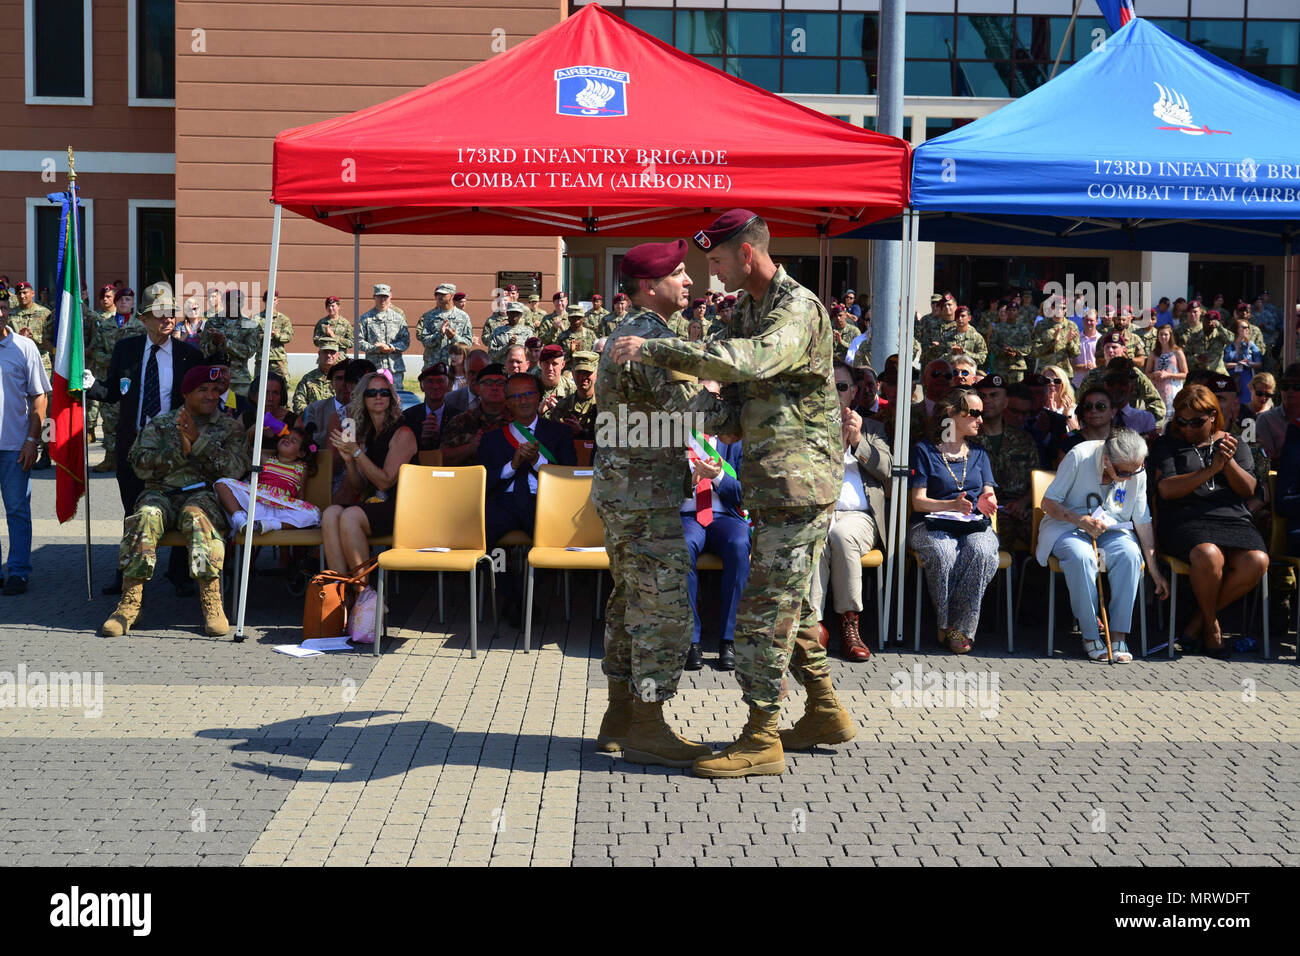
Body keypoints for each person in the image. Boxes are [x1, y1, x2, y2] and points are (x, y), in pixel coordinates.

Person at [609, 209, 853, 778]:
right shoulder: (745, 307)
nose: (708, 275)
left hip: (799, 484)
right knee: (790, 601)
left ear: (746, 254)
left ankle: (762, 737)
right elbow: (714, 367)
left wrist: (657, 352)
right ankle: (823, 709)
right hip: (769, 482)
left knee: (765, 609)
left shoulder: (798, 309)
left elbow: (749, 361)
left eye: (716, 261)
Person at [592, 238, 732, 768]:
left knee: (630, 602)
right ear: (651, 286)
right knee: (663, 611)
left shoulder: (630, 335)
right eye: (680, 273)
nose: (691, 281)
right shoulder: (648, 339)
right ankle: (648, 725)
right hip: (643, 498)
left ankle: (620, 717)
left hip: (626, 492)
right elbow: (694, 412)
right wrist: (724, 384)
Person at [101, 366, 251, 637]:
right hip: (161, 492)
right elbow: (139, 465)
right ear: (186, 393)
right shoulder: (161, 424)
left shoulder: (229, 427)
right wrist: (180, 451)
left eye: (215, 390)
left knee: (197, 517)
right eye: (202, 390)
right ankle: (129, 604)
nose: (211, 395)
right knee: (145, 515)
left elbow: (235, 469)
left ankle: (212, 602)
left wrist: (199, 442)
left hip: (204, 494)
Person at [87, 283, 206, 596]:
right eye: (159, 313)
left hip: (175, 448)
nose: (167, 318)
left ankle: (179, 571)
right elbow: (113, 391)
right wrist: (89, 384)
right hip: (133, 446)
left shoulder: (189, 356)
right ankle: (126, 571)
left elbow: (203, 399)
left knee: (181, 506)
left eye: (171, 312)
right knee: (132, 511)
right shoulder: (127, 350)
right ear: (144, 318)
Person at [1150, 385, 1269, 657]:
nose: (1188, 428)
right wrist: (1211, 469)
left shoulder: (1233, 443)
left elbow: (1248, 489)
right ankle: (1212, 629)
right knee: (1209, 555)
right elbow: (1167, 489)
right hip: (1185, 518)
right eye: (1182, 421)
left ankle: (1197, 623)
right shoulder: (1169, 444)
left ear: (1213, 416)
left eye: (1196, 422)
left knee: (1257, 561)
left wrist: (1227, 463)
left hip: (1232, 519)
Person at [1037, 430, 1168, 662]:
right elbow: (1048, 502)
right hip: (1067, 525)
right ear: (1107, 459)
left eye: (1135, 470)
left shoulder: (1135, 468)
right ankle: (1089, 635)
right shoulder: (1079, 455)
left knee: (1129, 554)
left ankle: (1118, 636)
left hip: (1112, 528)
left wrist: (1154, 570)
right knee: (1082, 556)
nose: (1130, 477)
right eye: (1123, 472)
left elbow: (1142, 519)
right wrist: (1079, 521)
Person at [479, 372, 577, 626]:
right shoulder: (492, 438)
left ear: (538, 397)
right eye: (516, 396)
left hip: (544, 504)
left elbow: (570, 477)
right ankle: (511, 591)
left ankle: (523, 596)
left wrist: (537, 461)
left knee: (555, 543)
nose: (523, 401)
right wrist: (512, 465)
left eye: (528, 394)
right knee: (480, 540)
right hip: (504, 503)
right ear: (507, 402)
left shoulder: (559, 434)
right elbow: (482, 481)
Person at [907, 388, 1001, 654]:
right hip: (929, 523)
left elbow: (988, 492)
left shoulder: (979, 453)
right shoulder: (924, 450)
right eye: (974, 413)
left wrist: (987, 501)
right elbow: (918, 501)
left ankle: (957, 628)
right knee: (943, 552)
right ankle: (948, 624)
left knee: (982, 551)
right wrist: (952, 505)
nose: (980, 420)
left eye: (980, 414)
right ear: (951, 414)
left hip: (972, 524)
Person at [809, 361, 891, 662]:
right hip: (820, 509)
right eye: (828, 385)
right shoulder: (810, 427)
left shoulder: (873, 428)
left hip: (858, 515)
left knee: (842, 536)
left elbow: (887, 470)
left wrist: (857, 442)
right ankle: (813, 624)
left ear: (854, 392)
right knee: (818, 534)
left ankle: (849, 624)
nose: (835, 391)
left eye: (841, 386)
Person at [321, 371, 417, 582]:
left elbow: (385, 481)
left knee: (350, 516)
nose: (378, 396)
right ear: (363, 398)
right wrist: (349, 461)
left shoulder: (403, 433)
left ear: (391, 397)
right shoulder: (368, 435)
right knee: (330, 514)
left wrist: (356, 452)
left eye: (384, 392)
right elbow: (359, 487)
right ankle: (339, 587)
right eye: (372, 392)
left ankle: (362, 591)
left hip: (403, 508)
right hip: (375, 504)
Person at [0, 311, 49, 594]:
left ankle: (18, 571)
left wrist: (33, 439)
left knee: (17, 511)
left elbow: (39, 395)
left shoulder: (24, 347)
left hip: (15, 447)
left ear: (6, 311)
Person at [216, 422, 321, 537]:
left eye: (293, 441)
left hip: (282, 508)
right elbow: (249, 446)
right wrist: (257, 428)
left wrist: (297, 510)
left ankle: (272, 525)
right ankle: (240, 519)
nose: (287, 440)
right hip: (257, 502)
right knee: (221, 483)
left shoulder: (301, 468)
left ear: (301, 453)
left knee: (314, 514)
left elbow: (301, 496)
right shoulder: (266, 461)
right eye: (285, 437)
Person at [975, 373, 1037, 549]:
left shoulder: (1024, 440)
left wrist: (1023, 503)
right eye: (982, 396)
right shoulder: (967, 439)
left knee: (1046, 531)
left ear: (1006, 402)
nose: (987, 401)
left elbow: (1037, 482)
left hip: (1019, 509)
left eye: (994, 395)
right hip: (983, 509)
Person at [441, 362, 509, 466]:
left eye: (500, 383)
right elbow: (442, 457)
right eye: (488, 383)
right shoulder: (461, 422)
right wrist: (471, 447)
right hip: (468, 480)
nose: (495, 387)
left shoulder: (518, 421)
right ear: (478, 388)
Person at [357, 283, 409, 383]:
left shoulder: (398, 318)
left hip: (394, 368)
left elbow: (405, 341)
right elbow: (359, 341)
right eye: (380, 296)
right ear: (374, 297)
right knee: (374, 396)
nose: (383, 300)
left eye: (385, 297)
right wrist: (375, 348)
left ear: (390, 297)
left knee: (396, 396)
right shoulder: (366, 319)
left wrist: (391, 347)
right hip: (373, 368)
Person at [547, 350, 598, 440]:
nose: (582, 377)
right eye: (579, 372)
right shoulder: (563, 406)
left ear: (596, 373)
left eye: (587, 373)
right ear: (573, 373)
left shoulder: (604, 405)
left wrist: (582, 432)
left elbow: (610, 440)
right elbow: (552, 438)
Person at [400, 361, 451, 452]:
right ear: (421, 386)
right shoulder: (408, 417)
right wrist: (421, 438)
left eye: (440, 381)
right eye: (430, 382)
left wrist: (438, 436)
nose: (435, 386)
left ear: (447, 386)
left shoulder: (457, 416)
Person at [1255, 362, 1300, 459]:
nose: (1290, 391)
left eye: (1296, 386)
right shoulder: (1266, 419)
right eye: (1285, 386)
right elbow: (1268, 459)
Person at [1146, 323, 1186, 423]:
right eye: (1161, 334)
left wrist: (1169, 375)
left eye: (1166, 334)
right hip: (1157, 390)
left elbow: (1185, 374)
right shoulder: (1154, 353)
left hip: (1173, 390)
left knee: (1173, 419)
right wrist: (1154, 375)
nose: (1163, 337)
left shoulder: (1177, 351)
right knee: (1158, 418)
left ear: (1170, 335)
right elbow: (1146, 373)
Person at [1060, 385, 1115, 457]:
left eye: (1101, 406)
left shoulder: (1122, 442)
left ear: (1113, 411)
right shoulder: (1068, 444)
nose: (1093, 410)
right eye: (1088, 406)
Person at [251, 290, 294, 379]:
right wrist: (264, 335)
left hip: (278, 360)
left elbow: (289, 336)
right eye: (269, 300)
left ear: (277, 301)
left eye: (274, 300)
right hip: (261, 359)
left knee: (283, 386)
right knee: (258, 386)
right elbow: (251, 337)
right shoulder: (256, 319)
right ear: (264, 301)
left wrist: (277, 335)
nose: (271, 302)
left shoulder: (283, 319)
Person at [1031, 296, 1080, 373]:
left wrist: (1070, 343)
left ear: (1066, 309)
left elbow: (1076, 354)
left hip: (1064, 372)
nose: (1060, 311)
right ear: (1052, 307)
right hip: (1045, 371)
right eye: (1057, 308)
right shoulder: (1042, 325)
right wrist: (1053, 343)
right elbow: (1035, 351)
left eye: (1063, 308)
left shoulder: (1072, 326)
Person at [291, 339, 342, 413]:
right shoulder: (308, 379)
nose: (328, 355)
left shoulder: (344, 378)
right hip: (313, 421)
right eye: (325, 352)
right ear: (319, 354)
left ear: (337, 355)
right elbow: (298, 403)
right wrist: (313, 415)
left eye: (332, 352)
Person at [1223, 316, 1262, 408]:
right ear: (1236, 329)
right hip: (1230, 379)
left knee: (1246, 408)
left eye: (1248, 327)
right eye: (1244, 327)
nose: (1247, 329)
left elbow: (1259, 363)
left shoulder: (1250, 345)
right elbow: (1221, 364)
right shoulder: (1227, 345)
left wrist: (1248, 363)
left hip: (1246, 380)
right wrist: (1238, 364)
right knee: (1230, 406)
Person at [988, 300, 1031, 384]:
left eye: (1014, 310)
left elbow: (1028, 347)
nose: (1011, 312)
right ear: (1006, 312)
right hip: (1000, 367)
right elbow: (992, 344)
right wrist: (1002, 351)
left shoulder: (1023, 328)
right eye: (1009, 310)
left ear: (1018, 312)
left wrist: (1015, 350)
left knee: (1016, 393)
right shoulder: (998, 328)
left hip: (1016, 367)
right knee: (1000, 391)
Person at [940, 304, 988, 371]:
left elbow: (982, 358)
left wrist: (964, 353)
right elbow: (940, 357)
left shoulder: (976, 337)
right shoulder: (947, 336)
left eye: (963, 316)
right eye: (958, 316)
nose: (960, 319)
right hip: (951, 372)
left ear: (969, 318)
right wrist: (952, 354)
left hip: (969, 373)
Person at [1040, 364, 1079, 430]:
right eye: (1047, 380)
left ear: (1064, 384)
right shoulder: (1036, 408)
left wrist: (1067, 416)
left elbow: (1077, 434)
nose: (1052, 384)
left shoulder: (1073, 409)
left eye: (1057, 381)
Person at [1074, 308, 1101, 388]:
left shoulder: (1101, 340)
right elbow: (1070, 363)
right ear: (1082, 321)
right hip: (1078, 384)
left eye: (1091, 320)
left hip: (1097, 383)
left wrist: (1094, 367)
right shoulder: (1075, 339)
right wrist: (1083, 367)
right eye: (1086, 320)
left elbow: (1106, 363)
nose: (1089, 323)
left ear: (1096, 321)